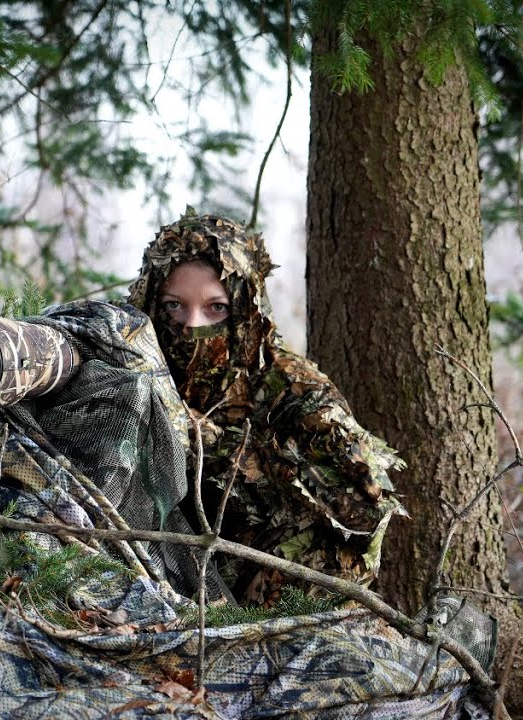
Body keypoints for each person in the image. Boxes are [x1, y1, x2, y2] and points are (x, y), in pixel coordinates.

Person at [127, 210, 405, 604]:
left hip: (255, 589)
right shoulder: (132, 363)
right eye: (174, 305)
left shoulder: (290, 386)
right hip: (151, 565)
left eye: (215, 308)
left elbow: (362, 514)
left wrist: (214, 447)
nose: (192, 325)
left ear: (245, 309)